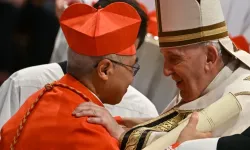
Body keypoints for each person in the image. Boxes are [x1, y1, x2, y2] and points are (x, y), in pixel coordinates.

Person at [70, 0, 250, 149]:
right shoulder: (208, 82)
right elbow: (169, 128)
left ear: (210, 57)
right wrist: (122, 123)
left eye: (174, 58)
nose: (166, 70)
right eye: (164, 58)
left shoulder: (242, 99)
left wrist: (121, 134)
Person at [0, 2, 141, 149]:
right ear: (104, 70)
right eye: (132, 67)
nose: (132, 78)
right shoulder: (93, 134)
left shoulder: (35, 101)